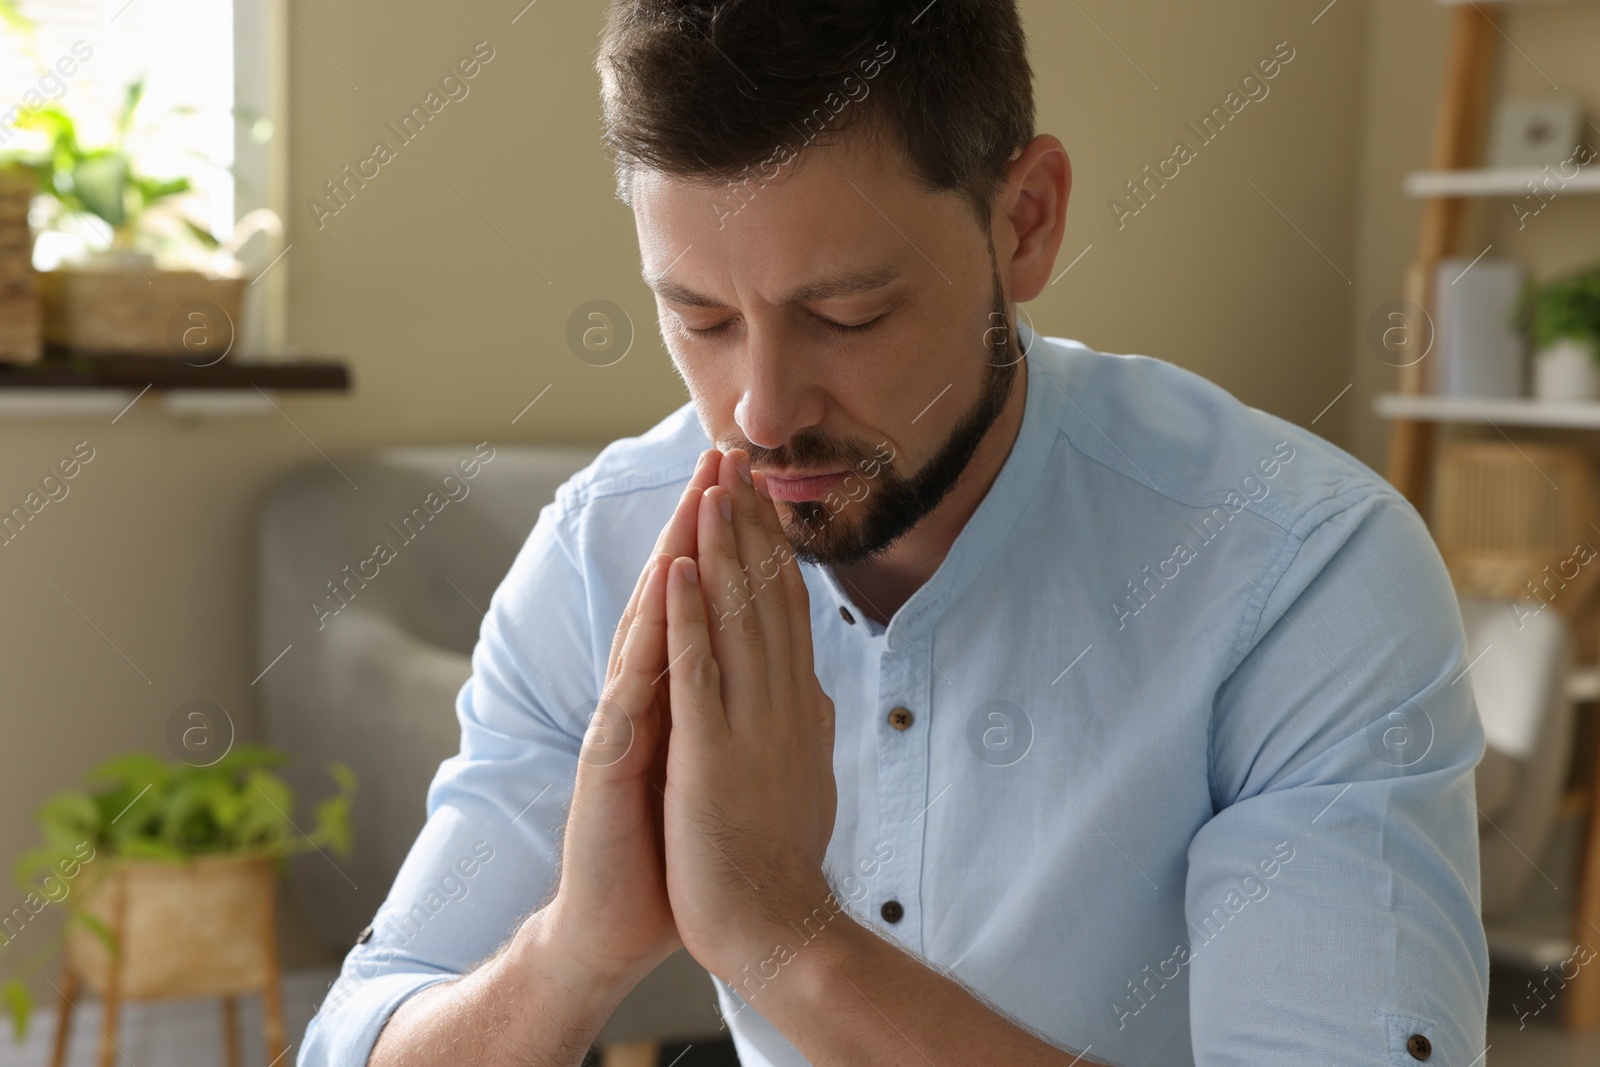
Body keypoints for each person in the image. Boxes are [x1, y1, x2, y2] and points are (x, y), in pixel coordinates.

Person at [300, 2, 1489, 1064]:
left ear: (1024, 222)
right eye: (701, 318)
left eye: (846, 313)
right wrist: (571, 949)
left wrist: (782, 932)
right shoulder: (607, 553)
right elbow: (363, 1032)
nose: (761, 410)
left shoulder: (1300, 568)